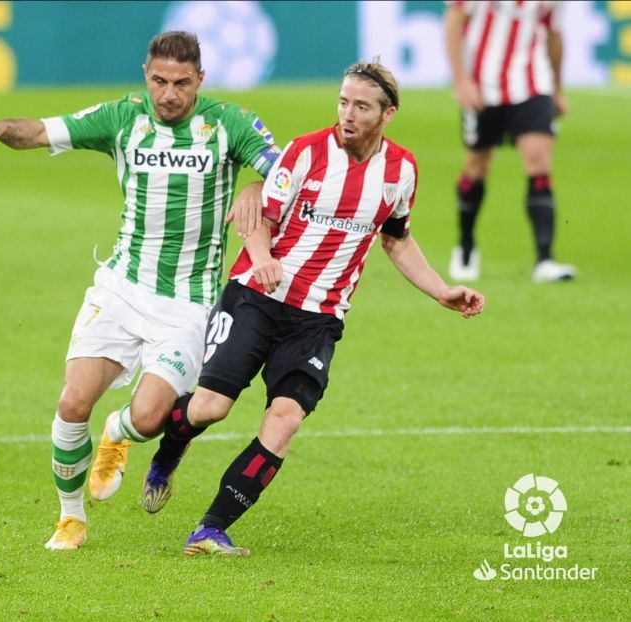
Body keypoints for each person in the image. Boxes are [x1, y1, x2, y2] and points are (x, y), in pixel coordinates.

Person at [0, 31, 280, 550]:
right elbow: (39, 130)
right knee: (72, 401)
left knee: (149, 419)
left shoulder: (228, 124)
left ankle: (119, 435)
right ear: (146, 74)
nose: (168, 94)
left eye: (181, 83)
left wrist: (258, 184)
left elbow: (288, 171)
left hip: (188, 303)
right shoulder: (123, 118)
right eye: (158, 81)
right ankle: (70, 517)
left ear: (200, 80)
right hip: (122, 288)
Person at [141, 60, 485, 556]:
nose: (348, 114)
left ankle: (212, 527)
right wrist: (261, 259)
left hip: (318, 319)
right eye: (343, 102)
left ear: (388, 114)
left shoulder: (401, 170)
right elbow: (260, 216)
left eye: (361, 106)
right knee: (209, 407)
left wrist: (441, 290)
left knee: (285, 421)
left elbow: (396, 239)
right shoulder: (304, 153)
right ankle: (170, 450)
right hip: (256, 298)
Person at [444, 0, 576, 283]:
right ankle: (466, 245)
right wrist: (461, 81)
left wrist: (557, 89)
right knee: (476, 169)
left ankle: (545, 260)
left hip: (532, 83)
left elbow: (554, 34)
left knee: (538, 163)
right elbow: (454, 22)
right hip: (482, 86)